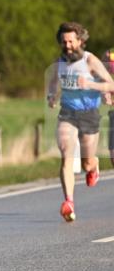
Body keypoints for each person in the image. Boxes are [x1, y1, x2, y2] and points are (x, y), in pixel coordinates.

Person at [46, 23, 114, 221]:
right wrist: (52, 96)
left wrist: (90, 84)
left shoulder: (89, 60)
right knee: (66, 154)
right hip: (68, 113)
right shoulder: (59, 63)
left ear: (80, 41)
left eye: (71, 41)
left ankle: (93, 168)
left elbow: (110, 83)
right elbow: (53, 83)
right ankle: (69, 201)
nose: (67, 45)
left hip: (89, 114)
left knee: (86, 162)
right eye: (64, 41)